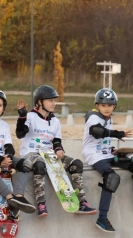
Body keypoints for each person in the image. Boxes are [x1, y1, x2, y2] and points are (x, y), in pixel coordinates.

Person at [14, 85, 97, 217]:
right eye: (50, 100)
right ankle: (41, 204)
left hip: (49, 153)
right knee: (39, 164)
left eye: (54, 100)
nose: (54, 103)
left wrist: (58, 149)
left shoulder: (55, 121)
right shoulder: (30, 116)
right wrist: (22, 117)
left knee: (76, 163)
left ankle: (82, 202)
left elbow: (56, 141)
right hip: (31, 152)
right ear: (40, 102)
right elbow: (20, 134)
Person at [82, 88, 133, 233]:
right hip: (93, 154)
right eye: (103, 105)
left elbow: (103, 138)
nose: (107, 108)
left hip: (106, 153)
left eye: (110, 106)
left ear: (114, 106)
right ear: (97, 105)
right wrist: (117, 133)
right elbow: (96, 132)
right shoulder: (93, 116)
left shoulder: (108, 118)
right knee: (111, 177)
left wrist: (112, 149)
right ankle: (102, 217)